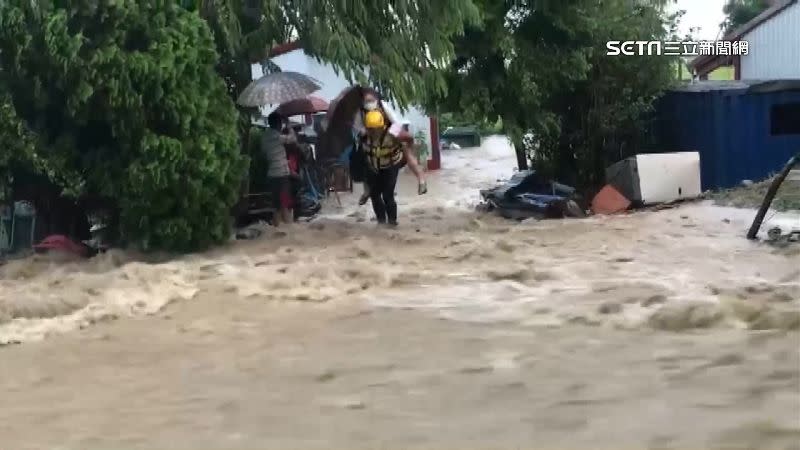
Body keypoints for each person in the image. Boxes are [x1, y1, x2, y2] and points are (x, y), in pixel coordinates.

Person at [357, 90, 427, 206]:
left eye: (370, 100)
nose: (368, 103)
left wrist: (408, 145)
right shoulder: (361, 113)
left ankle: (421, 179)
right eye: (366, 101)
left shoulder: (384, 110)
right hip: (373, 151)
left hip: (391, 135)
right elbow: (358, 128)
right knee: (363, 160)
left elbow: (398, 126)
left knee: (408, 154)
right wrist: (364, 133)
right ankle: (367, 191)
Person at [361, 108, 409, 226]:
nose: (374, 132)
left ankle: (392, 222)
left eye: (376, 129)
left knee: (388, 194)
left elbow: (409, 138)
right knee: (374, 194)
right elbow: (362, 157)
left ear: (382, 126)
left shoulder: (393, 131)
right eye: (371, 129)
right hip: (375, 166)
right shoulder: (363, 136)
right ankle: (381, 221)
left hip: (391, 165)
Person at [262, 112, 296, 226]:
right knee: (285, 204)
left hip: (271, 175)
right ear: (278, 123)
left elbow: (265, 153)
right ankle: (290, 232)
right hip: (282, 175)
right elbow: (293, 139)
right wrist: (289, 125)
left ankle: (277, 231)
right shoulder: (278, 137)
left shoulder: (264, 137)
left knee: (276, 207)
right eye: (281, 123)